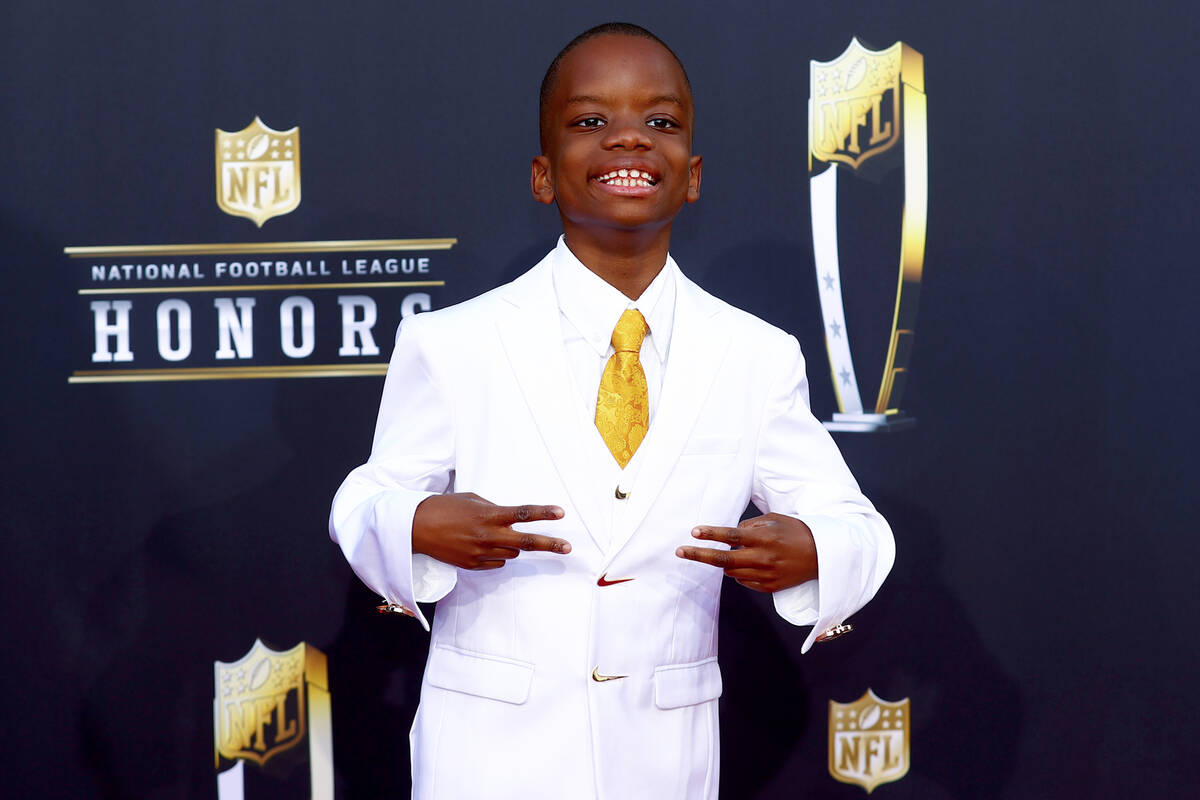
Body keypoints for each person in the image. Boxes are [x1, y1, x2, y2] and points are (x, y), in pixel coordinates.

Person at [330, 22, 894, 800]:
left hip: (663, 759)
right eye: (590, 122)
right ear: (541, 174)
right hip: (487, 760)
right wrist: (416, 526)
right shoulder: (451, 342)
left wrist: (814, 551)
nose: (629, 140)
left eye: (659, 123)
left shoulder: (755, 355)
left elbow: (855, 526)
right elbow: (367, 499)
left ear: (691, 174)